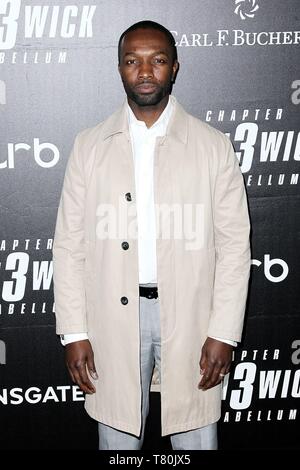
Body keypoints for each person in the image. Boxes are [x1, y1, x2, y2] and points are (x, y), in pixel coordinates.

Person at [53, 20, 251, 450]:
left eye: (157, 60)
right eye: (132, 61)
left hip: (194, 317)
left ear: (175, 68)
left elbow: (235, 247)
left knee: (196, 437)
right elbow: (69, 246)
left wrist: (224, 331)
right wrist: (73, 332)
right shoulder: (89, 146)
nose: (145, 71)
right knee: (117, 441)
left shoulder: (212, 146)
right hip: (109, 320)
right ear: (119, 69)